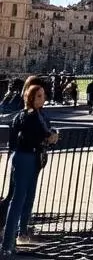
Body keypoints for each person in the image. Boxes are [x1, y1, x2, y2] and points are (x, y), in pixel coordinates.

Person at [2, 83, 58, 255]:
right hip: (26, 158)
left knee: (24, 198)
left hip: (28, 158)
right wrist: (51, 137)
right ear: (31, 98)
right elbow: (43, 135)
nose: (43, 98)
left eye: (43, 95)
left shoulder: (33, 115)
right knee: (18, 200)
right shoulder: (30, 117)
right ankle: (7, 245)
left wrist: (50, 135)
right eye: (39, 96)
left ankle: (14, 239)